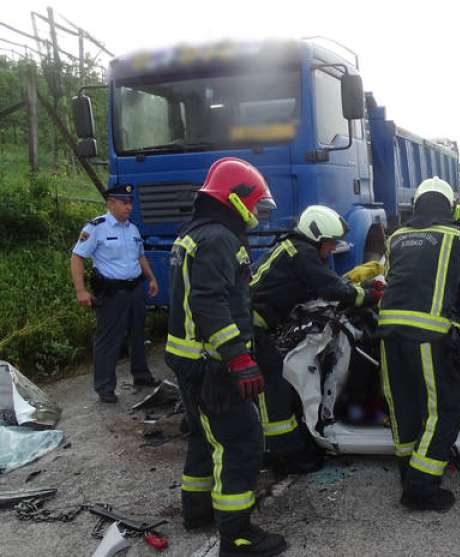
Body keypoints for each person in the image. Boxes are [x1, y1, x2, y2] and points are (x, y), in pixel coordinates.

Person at [165, 157, 287, 556]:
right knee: (241, 441)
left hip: (188, 356)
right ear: (234, 199)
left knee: (205, 435)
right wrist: (237, 358)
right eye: (252, 205)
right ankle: (236, 536)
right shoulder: (220, 238)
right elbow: (210, 303)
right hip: (212, 361)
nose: (254, 214)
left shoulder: (194, 233)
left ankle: (197, 510)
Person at [250, 205, 383, 475]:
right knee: (274, 393)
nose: (332, 249)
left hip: (257, 324)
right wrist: (370, 297)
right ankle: (282, 456)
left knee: (276, 389)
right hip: (251, 327)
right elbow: (331, 288)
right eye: (331, 243)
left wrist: (365, 288)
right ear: (317, 237)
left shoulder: (296, 248)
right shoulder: (302, 253)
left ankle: (280, 449)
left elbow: (329, 282)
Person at [378, 176, 460, 512]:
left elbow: (389, 278)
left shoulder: (397, 237)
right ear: (449, 204)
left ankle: (408, 474)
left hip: (388, 333)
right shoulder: (459, 236)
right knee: (445, 409)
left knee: (404, 406)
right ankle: (421, 489)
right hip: (430, 336)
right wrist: (459, 323)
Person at [70, 184, 160, 403]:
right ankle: (105, 387)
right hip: (111, 293)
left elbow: (140, 257)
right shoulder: (96, 228)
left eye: (130, 202)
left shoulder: (132, 229)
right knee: (108, 339)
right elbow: (77, 257)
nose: (129, 207)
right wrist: (81, 290)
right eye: (124, 202)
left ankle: (141, 375)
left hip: (135, 289)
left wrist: (152, 278)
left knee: (138, 334)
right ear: (111, 203)